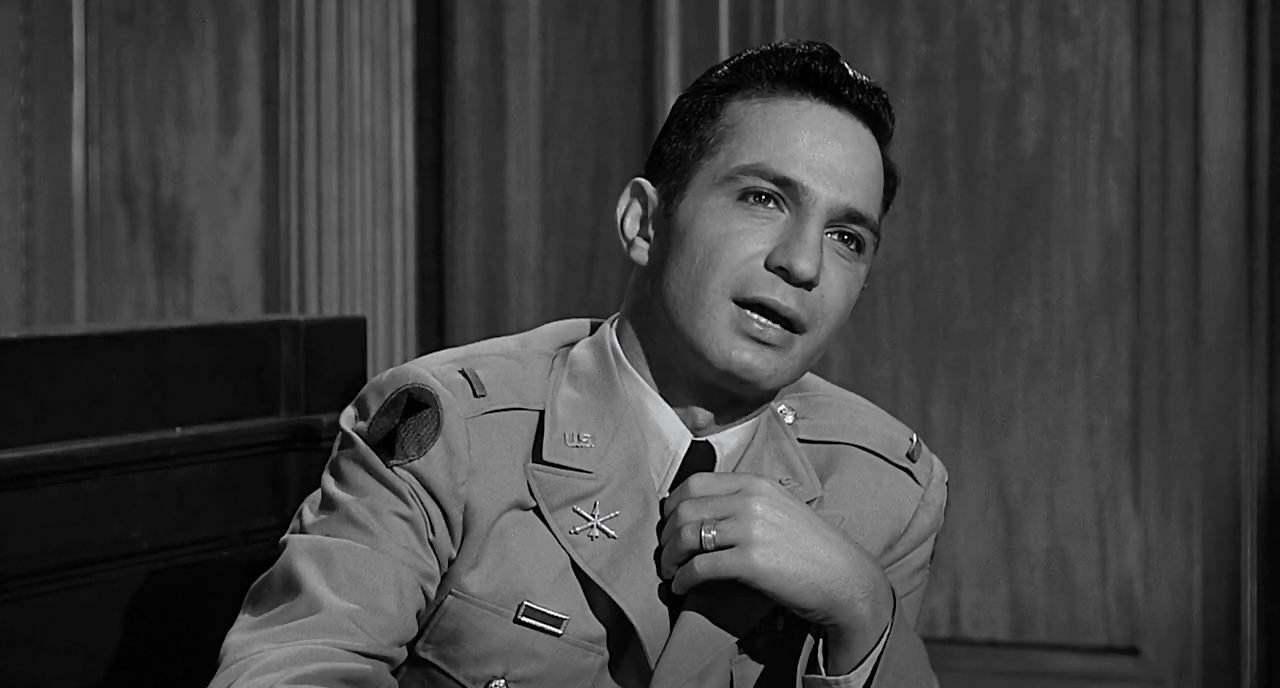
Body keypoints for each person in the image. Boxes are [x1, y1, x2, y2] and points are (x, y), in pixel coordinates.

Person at [210, 39, 947, 688]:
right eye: (762, 197)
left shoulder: (888, 489)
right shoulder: (452, 430)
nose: (803, 263)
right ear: (644, 223)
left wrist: (862, 608)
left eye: (848, 238)